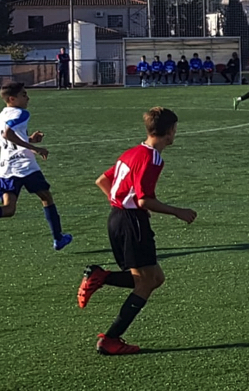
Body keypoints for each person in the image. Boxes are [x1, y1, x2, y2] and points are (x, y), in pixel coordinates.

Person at [77, 107, 197, 355]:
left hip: (118, 218)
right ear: (170, 131)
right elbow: (144, 199)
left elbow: (102, 180)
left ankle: (100, 276)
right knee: (144, 283)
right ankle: (110, 339)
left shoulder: (132, 152)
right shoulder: (153, 158)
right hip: (131, 222)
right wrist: (178, 211)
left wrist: (123, 204)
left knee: (155, 278)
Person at [0, 82, 73, 250]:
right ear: (12, 99)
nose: (28, 98)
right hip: (24, 166)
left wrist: (30, 139)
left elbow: (6, 140)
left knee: (9, 208)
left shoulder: (0, 117)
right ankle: (58, 238)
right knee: (46, 197)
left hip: (6, 167)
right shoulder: (22, 113)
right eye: (24, 95)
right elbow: (8, 134)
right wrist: (36, 148)